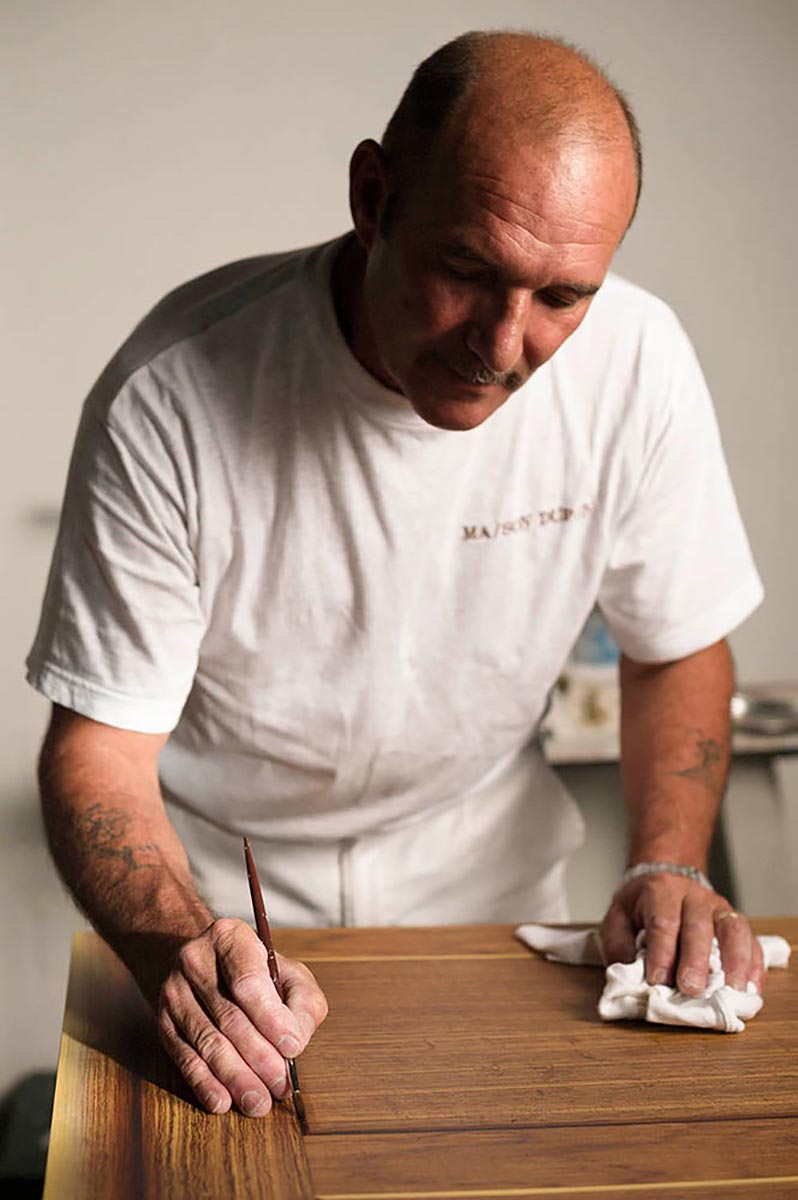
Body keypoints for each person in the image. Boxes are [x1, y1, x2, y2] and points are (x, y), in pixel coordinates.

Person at [28, 30, 765, 1120]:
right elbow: (98, 750)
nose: (503, 347)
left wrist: (672, 864)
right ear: (374, 198)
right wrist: (174, 941)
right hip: (221, 903)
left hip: (490, 894)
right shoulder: (172, 395)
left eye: (562, 297)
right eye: (467, 271)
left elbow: (677, 647)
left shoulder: (638, 365)